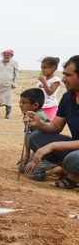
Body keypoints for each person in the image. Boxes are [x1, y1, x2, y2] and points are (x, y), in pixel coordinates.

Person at [25, 55, 79, 189]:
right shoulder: (68, 97)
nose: (63, 79)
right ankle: (66, 170)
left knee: (73, 159)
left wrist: (53, 146)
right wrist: (39, 124)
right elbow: (56, 126)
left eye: (68, 75)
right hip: (76, 148)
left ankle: (73, 176)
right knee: (36, 138)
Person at [18, 88, 62, 181]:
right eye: (20, 102)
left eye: (24, 103)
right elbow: (27, 135)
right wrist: (26, 155)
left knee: (31, 174)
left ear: (35, 105)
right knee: (21, 168)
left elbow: (41, 142)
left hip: (46, 155)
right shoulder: (28, 115)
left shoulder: (39, 118)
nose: (20, 105)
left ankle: (60, 168)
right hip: (36, 152)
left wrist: (34, 160)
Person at [0, 49, 19, 119]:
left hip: (9, 85)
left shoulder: (14, 63)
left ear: (11, 56)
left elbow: (16, 74)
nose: (6, 56)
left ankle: (7, 114)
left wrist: (14, 83)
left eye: (8, 55)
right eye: (5, 55)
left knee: (8, 100)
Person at [37, 56, 62, 121]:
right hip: (40, 106)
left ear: (53, 68)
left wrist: (43, 81)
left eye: (45, 68)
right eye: (41, 68)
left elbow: (50, 92)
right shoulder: (43, 79)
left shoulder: (56, 80)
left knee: (48, 124)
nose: (42, 70)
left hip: (50, 107)